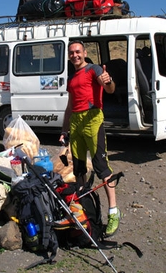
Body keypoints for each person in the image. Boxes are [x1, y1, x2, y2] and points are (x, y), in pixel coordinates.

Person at [59, 40, 121, 237]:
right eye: (71, 53)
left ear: (84, 52)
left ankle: (113, 212)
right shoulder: (71, 78)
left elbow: (110, 89)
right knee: (78, 168)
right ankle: (82, 208)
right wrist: (64, 130)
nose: (75, 55)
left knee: (101, 166)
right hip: (76, 123)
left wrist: (108, 80)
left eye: (77, 51)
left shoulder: (94, 70)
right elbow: (70, 107)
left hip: (93, 119)